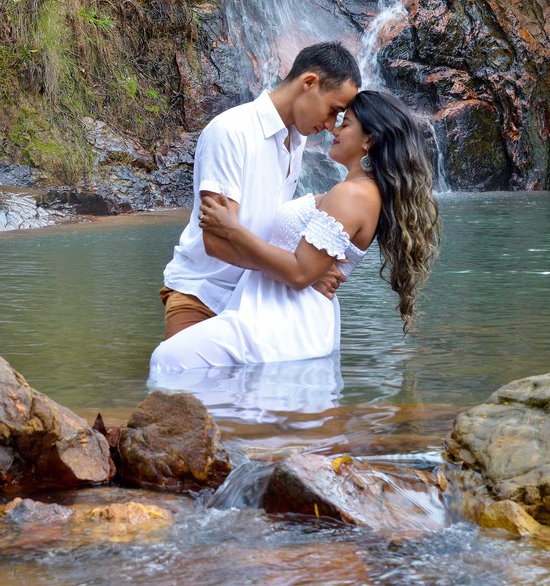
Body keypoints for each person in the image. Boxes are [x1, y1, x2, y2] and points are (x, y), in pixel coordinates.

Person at [149, 89, 441, 373]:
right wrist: (311, 269)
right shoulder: (356, 192)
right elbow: (307, 266)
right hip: (281, 311)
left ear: (369, 140)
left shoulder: (353, 195)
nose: (334, 130)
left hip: (285, 317)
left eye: (345, 124)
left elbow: (300, 273)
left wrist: (232, 228)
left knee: (170, 359)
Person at [159, 42, 361, 339]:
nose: (332, 126)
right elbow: (217, 242)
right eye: (333, 111)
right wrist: (299, 273)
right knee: (183, 383)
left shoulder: (298, 139)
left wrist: (309, 269)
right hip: (203, 295)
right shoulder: (231, 131)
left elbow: (269, 224)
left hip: (257, 298)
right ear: (308, 83)